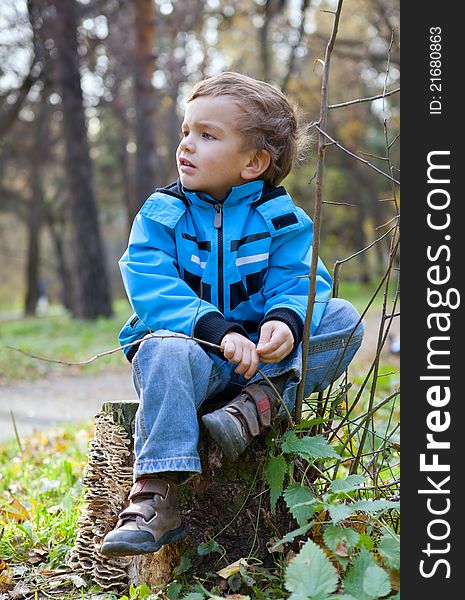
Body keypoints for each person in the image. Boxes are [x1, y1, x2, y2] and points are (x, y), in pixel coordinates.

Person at [101, 72, 364, 557]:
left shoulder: (280, 217)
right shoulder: (162, 213)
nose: (186, 145)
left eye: (206, 135)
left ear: (254, 163)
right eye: (185, 131)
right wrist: (215, 331)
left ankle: (259, 404)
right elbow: (151, 283)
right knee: (161, 347)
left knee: (343, 319)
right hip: (192, 354)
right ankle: (157, 494)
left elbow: (301, 277)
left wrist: (284, 323)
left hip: (258, 361)